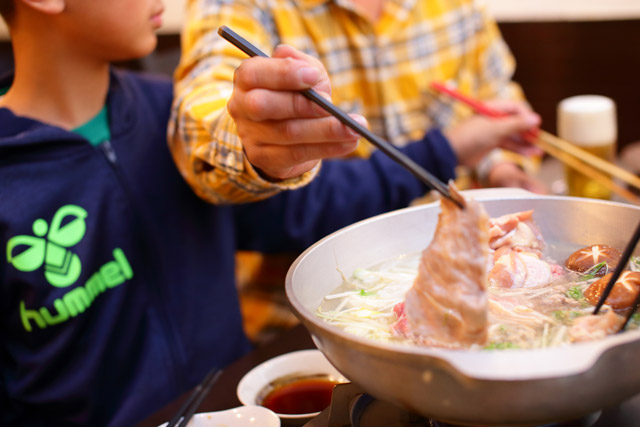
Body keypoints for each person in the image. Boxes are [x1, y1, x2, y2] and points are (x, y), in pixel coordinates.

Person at [0, 0, 537, 425]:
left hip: (233, 405)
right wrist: (255, 142)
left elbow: (303, 207)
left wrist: (451, 150)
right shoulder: (184, 123)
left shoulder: (162, 109)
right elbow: (213, 127)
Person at [169, 0, 547, 205]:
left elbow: (496, 97)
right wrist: (255, 144)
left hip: (465, 256)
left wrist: (501, 169)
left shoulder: (457, 7)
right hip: (308, 301)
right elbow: (199, 122)